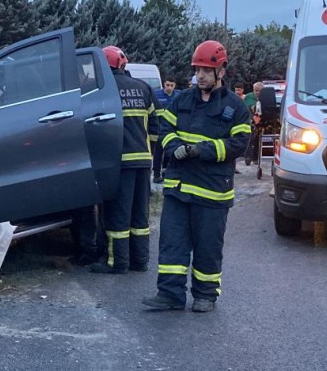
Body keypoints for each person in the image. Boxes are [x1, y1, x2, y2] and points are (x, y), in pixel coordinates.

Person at [141, 40, 251, 312]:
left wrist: (201, 150)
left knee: (208, 246)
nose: (199, 75)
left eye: (206, 70)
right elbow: (165, 128)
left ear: (220, 72)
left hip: (212, 192)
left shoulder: (236, 107)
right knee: (172, 244)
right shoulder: (182, 100)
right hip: (179, 188)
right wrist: (175, 147)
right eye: (197, 69)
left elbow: (239, 144)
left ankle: (205, 295)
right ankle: (169, 294)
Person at [89, 45, 156, 274]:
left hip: (119, 162)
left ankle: (117, 262)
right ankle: (140, 261)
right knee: (140, 214)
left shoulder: (103, 91)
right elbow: (156, 128)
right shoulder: (144, 88)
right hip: (143, 161)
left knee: (118, 214)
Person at [152, 80, 181, 183]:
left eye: (172, 85)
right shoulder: (156, 94)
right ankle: (156, 174)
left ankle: (166, 173)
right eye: (167, 85)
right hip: (159, 128)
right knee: (158, 153)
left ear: (175, 86)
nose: (169, 87)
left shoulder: (178, 95)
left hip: (172, 129)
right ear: (164, 84)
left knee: (169, 151)